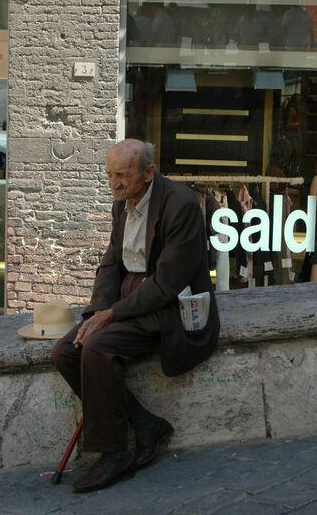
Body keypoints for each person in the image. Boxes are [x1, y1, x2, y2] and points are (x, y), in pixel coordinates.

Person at [52, 139, 220, 493]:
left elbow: (167, 284)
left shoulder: (181, 205)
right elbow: (111, 263)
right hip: (129, 298)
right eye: (110, 175)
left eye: (123, 175)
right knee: (66, 351)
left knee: (96, 347)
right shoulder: (122, 204)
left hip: (170, 307)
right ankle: (145, 423)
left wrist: (111, 316)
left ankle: (113, 454)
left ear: (147, 173)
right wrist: (98, 311)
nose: (114, 184)